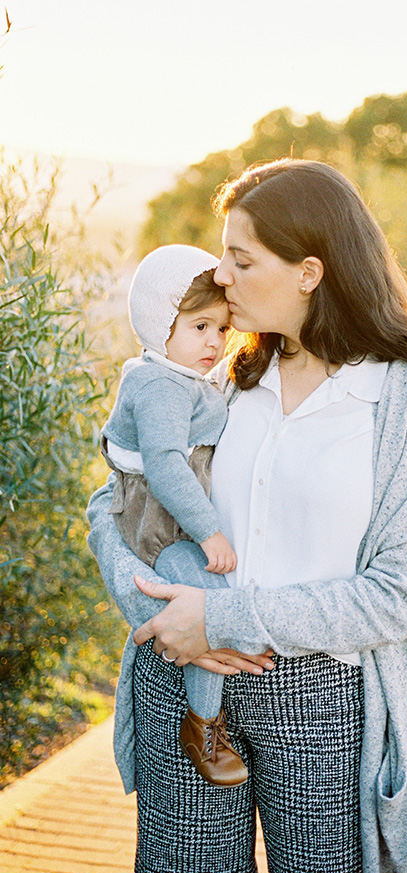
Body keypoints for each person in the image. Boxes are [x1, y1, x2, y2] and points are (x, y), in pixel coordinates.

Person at [87, 158, 407, 873]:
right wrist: (160, 618)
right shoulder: (220, 379)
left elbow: (398, 594)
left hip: (321, 699)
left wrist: (224, 618)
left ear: (308, 272)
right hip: (182, 682)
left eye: (240, 258)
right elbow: (111, 506)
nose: (219, 277)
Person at [100, 244, 247, 787]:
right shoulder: (160, 384)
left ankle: (206, 716)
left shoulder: (179, 375)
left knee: (213, 605)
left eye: (222, 329)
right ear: (160, 322)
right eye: (200, 326)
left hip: (165, 520)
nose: (214, 342)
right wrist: (208, 532)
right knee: (205, 601)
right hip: (157, 529)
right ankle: (203, 724)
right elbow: (163, 466)